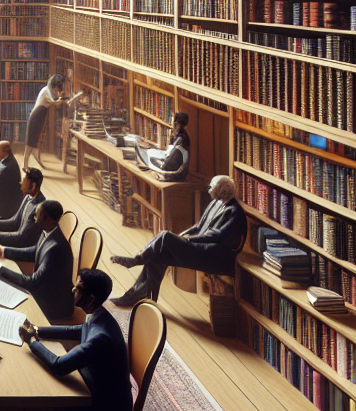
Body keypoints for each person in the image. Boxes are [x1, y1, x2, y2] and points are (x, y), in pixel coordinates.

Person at [0, 269, 132, 411]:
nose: (72, 289)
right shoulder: (100, 316)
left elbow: (59, 366)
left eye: (78, 288)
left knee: (40, 408)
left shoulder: (101, 338)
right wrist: (38, 330)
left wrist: (31, 341)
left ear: (91, 298)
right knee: (42, 402)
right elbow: (78, 330)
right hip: (101, 393)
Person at [110, 174, 245, 307]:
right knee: (157, 254)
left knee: (165, 236)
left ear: (224, 191)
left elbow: (216, 236)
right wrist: (182, 236)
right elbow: (198, 227)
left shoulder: (234, 212)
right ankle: (145, 299)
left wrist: (188, 240)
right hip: (201, 247)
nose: (209, 188)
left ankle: (136, 260)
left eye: (212, 187)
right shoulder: (216, 202)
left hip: (215, 256)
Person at [0, 199, 75, 323]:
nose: (34, 217)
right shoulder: (49, 231)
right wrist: (3, 251)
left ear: (49, 220)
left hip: (53, 306)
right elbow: (34, 251)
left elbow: (32, 282)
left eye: (38, 215)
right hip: (45, 291)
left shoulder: (56, 248)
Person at [23, 74, 82, 170]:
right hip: (36, 116)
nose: (57, 90)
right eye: (57, 88)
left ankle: (37, 162)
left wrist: (63, 98)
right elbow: (56, 103)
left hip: (40, 116)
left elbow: (57, 100)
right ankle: (25, 165)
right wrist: (63, 99)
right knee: (30, 143)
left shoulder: (49, 90)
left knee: (35, 141)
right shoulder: (46, 91)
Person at [138, 111, 190, 182]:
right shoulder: (180, 136)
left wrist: (153, 159)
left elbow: (166, 166)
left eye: (173, 123)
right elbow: (169, 153)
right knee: (150, 155)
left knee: (148, 158)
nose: (172, 126)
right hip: (173, 166)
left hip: (176, 175)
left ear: (177, 125)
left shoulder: (181, 140)